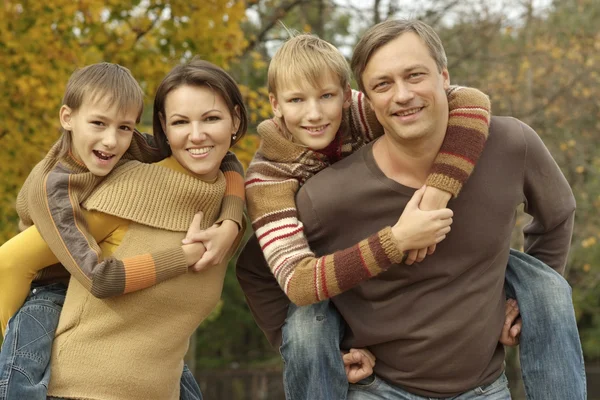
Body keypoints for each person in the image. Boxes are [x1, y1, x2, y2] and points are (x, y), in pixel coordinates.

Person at [236, 20, 586, 399]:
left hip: (487, 388)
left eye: (415, 75)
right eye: (383, 84)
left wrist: (519, 306)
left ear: (443, 76)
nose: (402, 95)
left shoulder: (510, 143)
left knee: (543, 284)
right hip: (380, 390)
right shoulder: (310, 192)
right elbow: (267, 274)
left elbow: (474, 102)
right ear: (369, 98)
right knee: (308, 324)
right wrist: (319, 353)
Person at [0, 61, 246, 399]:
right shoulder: (86, 190)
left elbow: (229, 159)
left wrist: (231, 220)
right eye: (180, 122)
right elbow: (12, 261)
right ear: (165, 127)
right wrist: (183, 255)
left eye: (211, 118)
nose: (196, 134)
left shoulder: (138, 149)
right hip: (54, 306)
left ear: (235, 120)